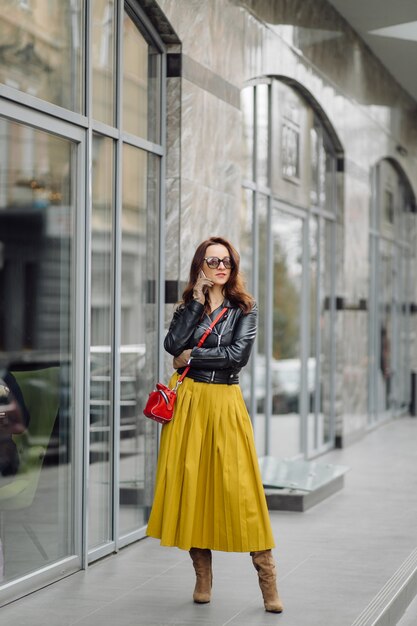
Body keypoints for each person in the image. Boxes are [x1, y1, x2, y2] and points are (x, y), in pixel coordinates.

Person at [146, 236, 283, 613]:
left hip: (224, 403)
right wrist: (194, 305)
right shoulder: (188, 306)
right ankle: (202, 576)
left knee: (242, 491)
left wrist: (191, 356)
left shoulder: (245, 307)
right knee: (194, 488)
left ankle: (267, 579)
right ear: (200, 266)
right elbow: (172, 345)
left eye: (227, 261)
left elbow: (236, 357)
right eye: (213, 261)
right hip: (190, 405)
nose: (221, 267)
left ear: (233, 267)